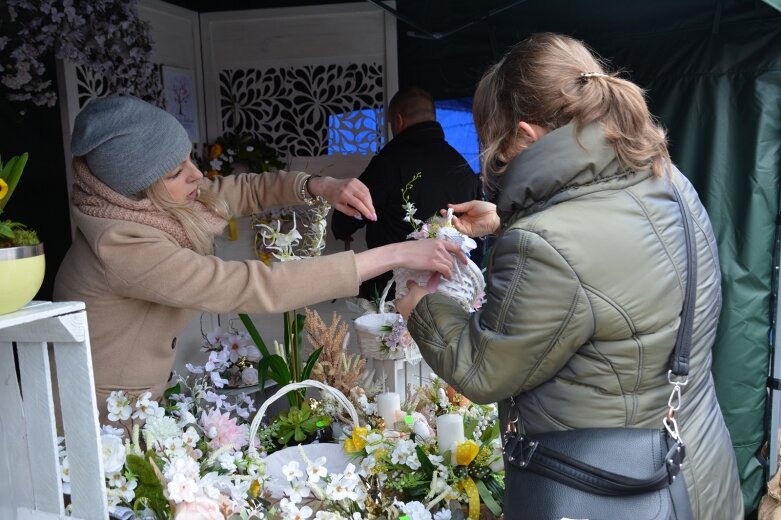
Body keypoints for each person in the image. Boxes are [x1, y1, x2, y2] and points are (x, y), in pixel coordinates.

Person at [395, 33, 743, 519]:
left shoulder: (544, 246)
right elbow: (604, 260)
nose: (495, 162)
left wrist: (420, 307)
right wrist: (508, 222)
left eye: (497, 148)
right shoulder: (666, 178)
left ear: (527, 134)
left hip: (612, 492)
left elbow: (482, 368)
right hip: (696, 467)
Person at [53, 95, 466, 422]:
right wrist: (393, 254)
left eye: (190, 160)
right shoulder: (121, 244)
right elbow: (252, 286)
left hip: (139, 403)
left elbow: (243, 191)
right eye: (177, 172)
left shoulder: (156, 210)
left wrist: (320, 185)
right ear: (140, 189)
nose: (197, 175)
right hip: (99, 418)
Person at [331, 86, 481, 301]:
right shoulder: (462, 166)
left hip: (396, 295)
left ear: (399, 121)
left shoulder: (389, 163)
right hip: (454, 292)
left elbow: (349, 213)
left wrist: (341, 227)